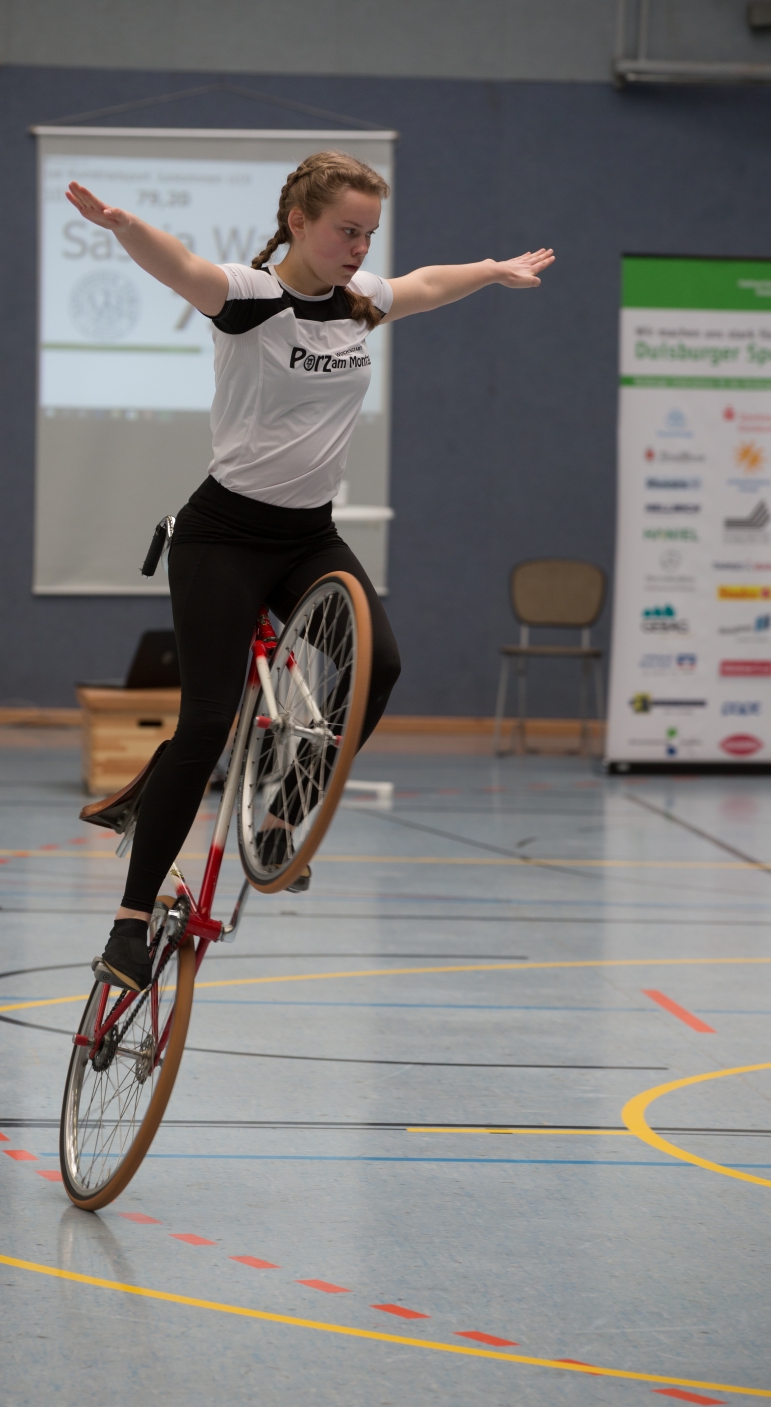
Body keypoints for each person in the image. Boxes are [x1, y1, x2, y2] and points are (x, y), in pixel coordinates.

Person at [66, 151, 554, 992]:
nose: (359, 248)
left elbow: (426, 285)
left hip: (307, 538)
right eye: (345, 231)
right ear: (299, 222)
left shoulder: (358, 302)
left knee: (379, 665)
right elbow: (180, 266)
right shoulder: (250, 298)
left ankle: (280, 819)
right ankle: (129, 925)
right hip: (223, 538)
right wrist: (125, 228)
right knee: (209, 722)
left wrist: (492, 270)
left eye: (369, 233)